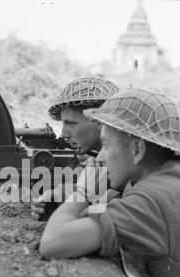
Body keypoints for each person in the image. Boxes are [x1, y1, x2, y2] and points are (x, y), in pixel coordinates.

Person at [40, 88, 180, 277]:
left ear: (137, 149)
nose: (101, 158)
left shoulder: (150, 202)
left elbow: (53, 242)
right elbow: (114, 203)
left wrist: (81, 193)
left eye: (106, 145)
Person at [32, 77, 119, 220]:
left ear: (100, 122)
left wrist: (65, 194)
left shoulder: (123, 163)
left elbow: (111, 195)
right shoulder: (100, 159)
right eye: (63, 124)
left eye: (71, 124)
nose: (63, 134)